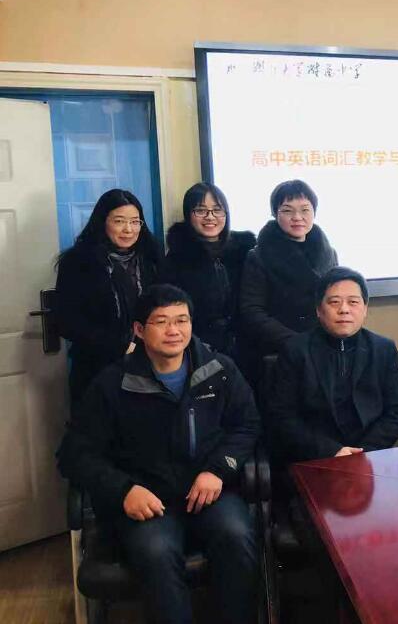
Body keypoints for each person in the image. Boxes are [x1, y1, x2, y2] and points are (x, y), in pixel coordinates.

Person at [57, 284, 261, 624]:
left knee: (237, 536)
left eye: (182, 320)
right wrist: (124, 490)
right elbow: (74, 454)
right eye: (162, 321)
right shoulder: (113, 383)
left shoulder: (219, 370)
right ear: (139, 330)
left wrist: (218, 470)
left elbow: (248, 425)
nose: (174, 330)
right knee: (157, 553)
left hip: (209, 492)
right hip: (148, 500)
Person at [268, 267, 398, 462]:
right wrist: (331, 451)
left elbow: (397, 411)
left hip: (370, 456)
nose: (344, 309)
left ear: (365, 308)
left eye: (353, 302)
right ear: (319, 310)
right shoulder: (296, 350)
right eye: (334, 302)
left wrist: (364, 451)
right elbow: (283, 416)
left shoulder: (383, 349)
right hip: (315, 457)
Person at [56, 188, 162, 402]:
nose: (128, 229)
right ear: (102, 222)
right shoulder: (78, 262)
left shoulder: (152, 258)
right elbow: (66, 321)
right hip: (96, 367)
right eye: (119, 221)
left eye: (135, 222)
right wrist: (119, 347)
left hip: (150, 363)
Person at [240, 179, 338, 359]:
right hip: (279, 349)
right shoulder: (259, 256)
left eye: (305, 210)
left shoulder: (328, 253)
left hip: (323, 346)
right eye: (287, 210)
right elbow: (252, 311)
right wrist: (294, 341)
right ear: (275, 213)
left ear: (314, 212)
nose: (297, 217)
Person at [162, 183, 256, 363]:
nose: (210, 217)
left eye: (217, 210)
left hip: (248, 347)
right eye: (201, 210)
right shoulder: (176, 259)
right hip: (199, 350)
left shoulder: (246, 251)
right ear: (188, 214)